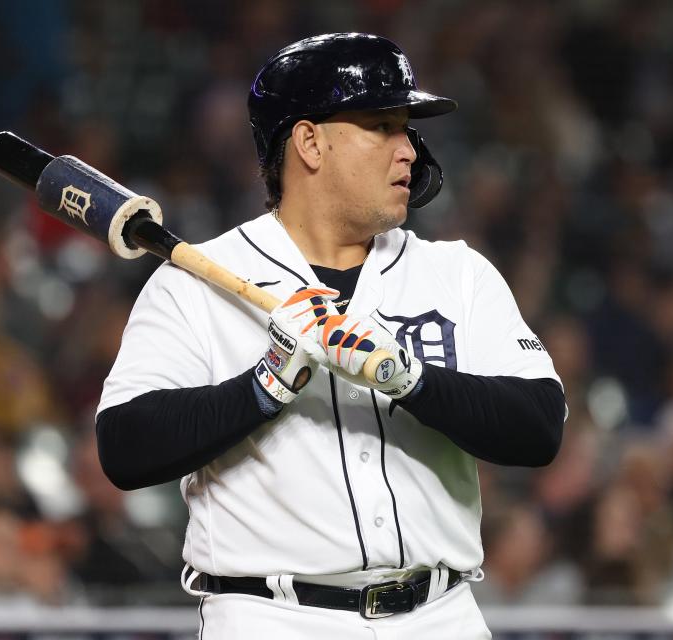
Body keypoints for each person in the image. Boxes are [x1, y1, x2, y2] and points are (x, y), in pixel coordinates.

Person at [96, 33, 566, 639]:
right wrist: (266, 385)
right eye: (382, 125)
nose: (409, 152)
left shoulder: (457, 274)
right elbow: (125, 447)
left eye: (407, 129)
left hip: (440, 615)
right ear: (310, 142)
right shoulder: (193, 285)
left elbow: (539, 425)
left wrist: (409, 379)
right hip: (272, 617)